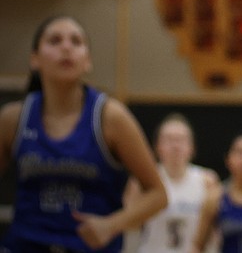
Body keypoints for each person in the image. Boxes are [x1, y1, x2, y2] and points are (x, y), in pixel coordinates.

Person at [0, 15, 168, 252]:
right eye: (55, 41)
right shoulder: (13, 118)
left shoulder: (111, 118)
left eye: (76, 42)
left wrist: (112, 224)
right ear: (35, 60)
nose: (66, 47)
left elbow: (158, 194)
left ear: (87, 60)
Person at [129, 113, 221, 253]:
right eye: (169, 139)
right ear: (157, 146)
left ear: (192, 147)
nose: (175, 145)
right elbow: (130, 228)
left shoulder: (207, 180)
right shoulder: (142, 180)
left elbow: (216, 231)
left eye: (181, 140)